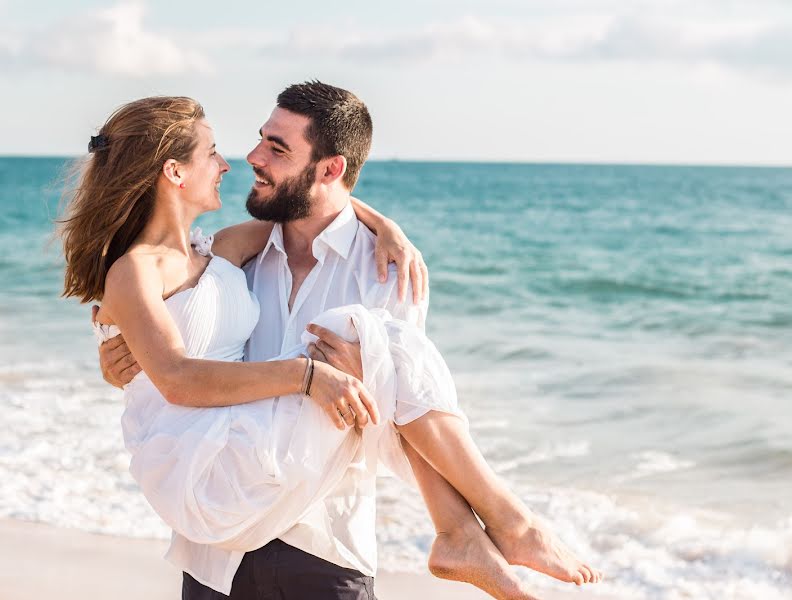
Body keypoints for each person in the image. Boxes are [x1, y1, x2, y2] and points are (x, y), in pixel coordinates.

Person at [65, 84, 599, 599]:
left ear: (329, 167)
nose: (241, 159)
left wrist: (381, 222)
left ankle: (470, 530)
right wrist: (308, 375)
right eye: (221, 151)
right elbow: (175, 370)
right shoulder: (212, 256)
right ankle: (491, 525)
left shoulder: (350, 265)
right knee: (361, 337)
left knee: (372, 342)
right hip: (215, 528)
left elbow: (402, 404)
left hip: (323, 541)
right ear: (174, 171)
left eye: (275, 148)